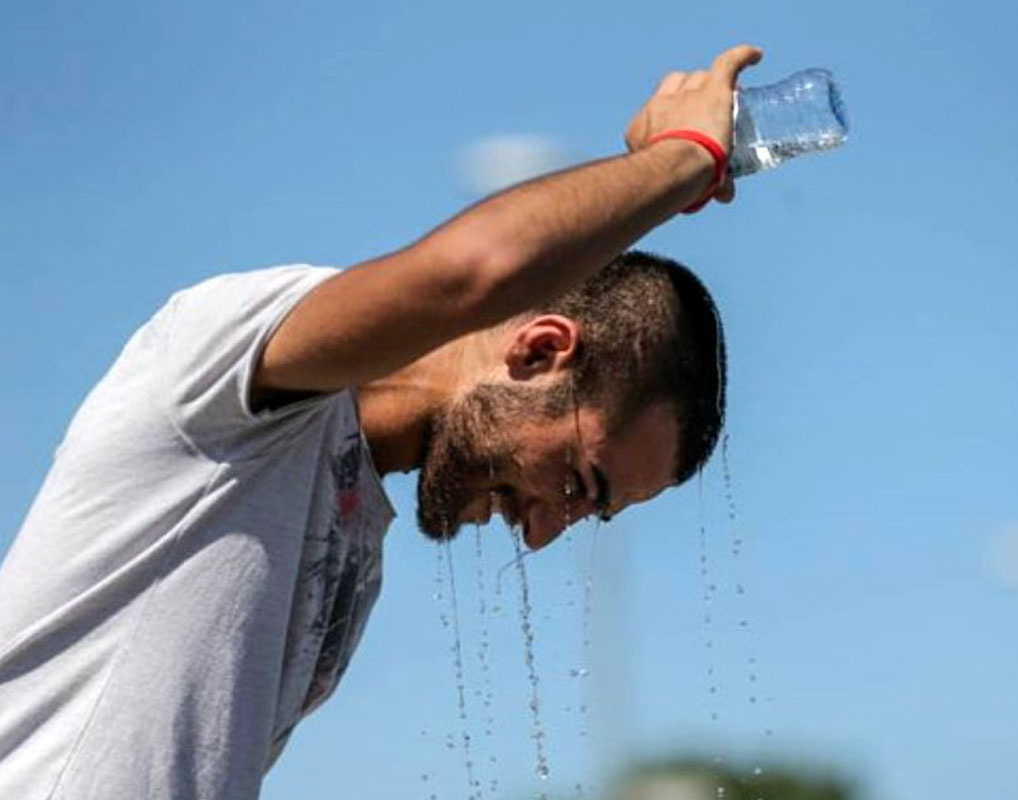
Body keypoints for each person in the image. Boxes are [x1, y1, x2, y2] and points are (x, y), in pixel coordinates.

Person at [0, 44, 763, 799]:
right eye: (578, 482)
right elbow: (475, 273)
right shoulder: (231, 372)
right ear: (537, 353)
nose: (541, 533)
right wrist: (685, 158)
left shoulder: (355, 537)